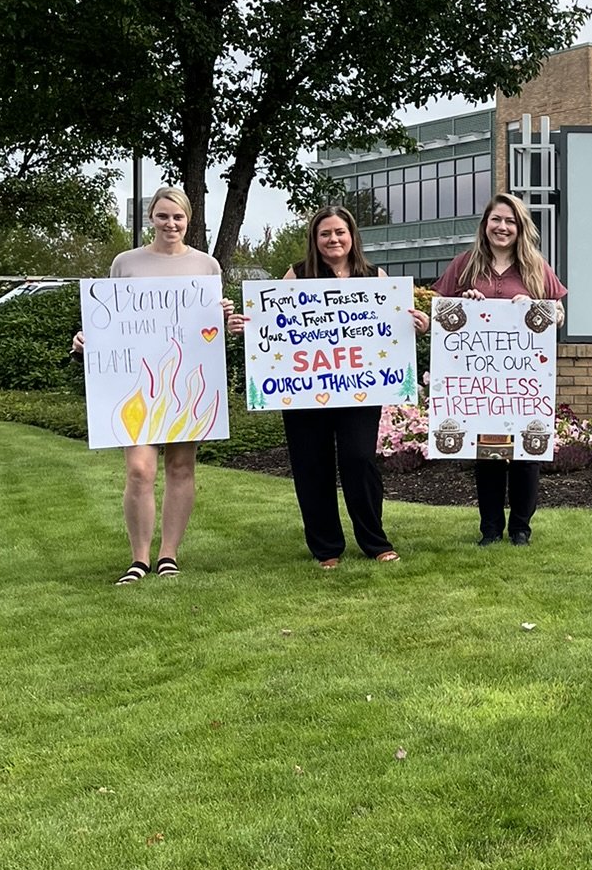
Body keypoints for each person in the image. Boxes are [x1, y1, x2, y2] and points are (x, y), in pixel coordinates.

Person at [238, 206, 425, 569]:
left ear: (352, 236)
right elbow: (272, 323)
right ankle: (326, 548)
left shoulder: (375, 276)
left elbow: (392, 327)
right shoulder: (298, 273)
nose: (333, 240)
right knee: (312, 465)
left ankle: (374, 540)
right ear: (315, 239)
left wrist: (414, 325)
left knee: (359, 460)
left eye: (340, 232)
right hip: (305, 389)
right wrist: (248, 327)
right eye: (325, 234)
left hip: (360, 387)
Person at [72, 186, 226, 585]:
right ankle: (138, 559)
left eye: (177, 217)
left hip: (187, 383)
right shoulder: (126, 263)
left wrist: (225, 319)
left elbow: (208, 330)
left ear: (189, 220)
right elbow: (109, 319)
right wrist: (86, 339)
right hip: (134, 382)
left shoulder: (207, 266)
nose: (170, 224)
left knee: (180, 467)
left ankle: (168, 554)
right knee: (140, 470)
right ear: (150, 219)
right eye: (162, 216)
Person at [432, 193, 565, 547]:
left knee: (525, 456)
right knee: (488, 455)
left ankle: (521, 527)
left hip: (524, 381)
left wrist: (535, 306)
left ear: (520, 228)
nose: (502, 227)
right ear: (485, 225)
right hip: (480, 382)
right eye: (496, 220)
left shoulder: (536, 267)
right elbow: (439, 309)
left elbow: (559, 315)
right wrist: (463, 301)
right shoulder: (464, 264)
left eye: (510, 221)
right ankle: (490, 528)